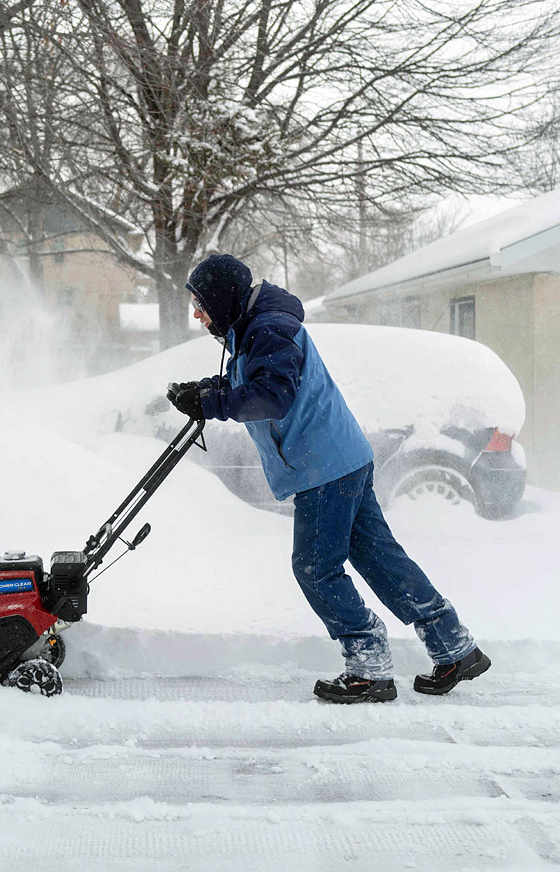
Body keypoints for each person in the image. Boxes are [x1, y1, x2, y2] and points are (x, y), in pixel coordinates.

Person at [167, 254, 489, 704]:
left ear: (222, 298)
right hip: (340, 457)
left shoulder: (268, 328)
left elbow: (272, 396)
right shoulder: (255, 326)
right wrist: (207, 391)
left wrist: (214, 403)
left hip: (325, 467)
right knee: (378, 558)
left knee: (316, 568)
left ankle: (368, 664)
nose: (197, 314)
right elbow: (258, 380)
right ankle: (454, 646)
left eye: (200, 303)